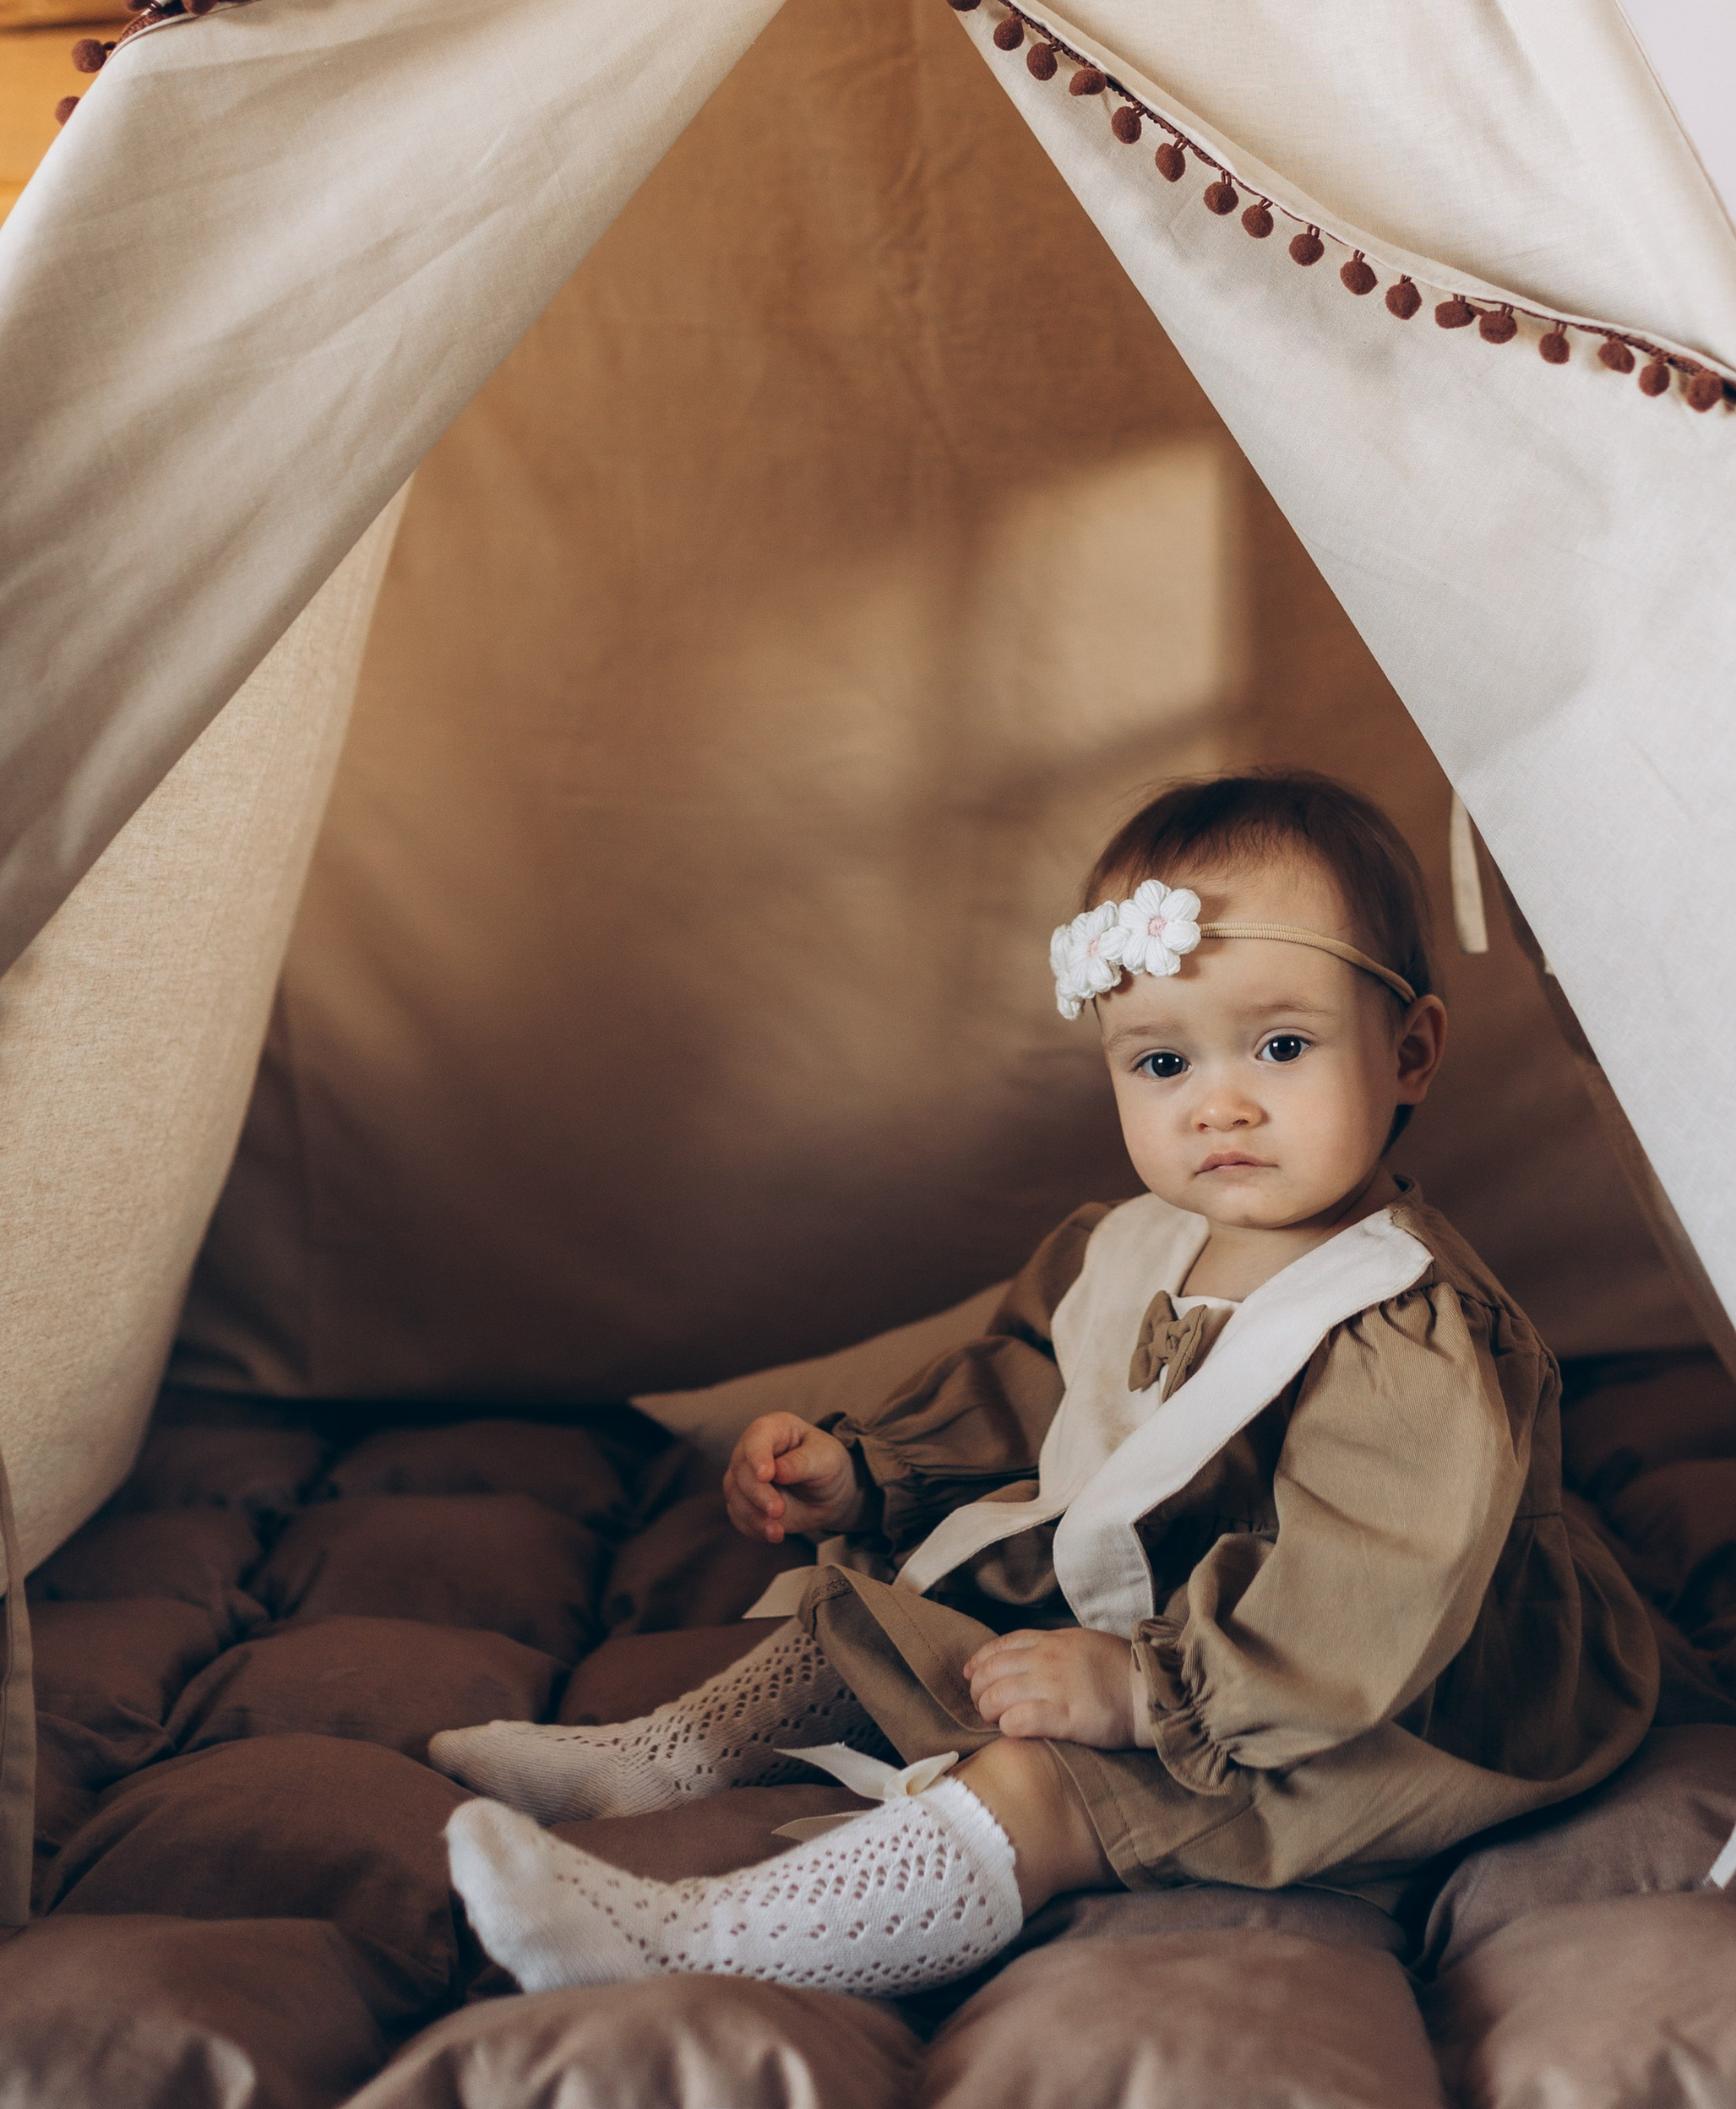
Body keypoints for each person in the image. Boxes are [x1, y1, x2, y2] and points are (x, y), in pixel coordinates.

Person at [434, 770, 1657, 1998]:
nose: (1218, 1104)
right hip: (1188, 1619)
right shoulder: (1121, 1247)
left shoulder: (1406, 1325)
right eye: (1163, 1061)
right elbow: (1033, 1393)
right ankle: (660, 1762)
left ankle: (690, 1944)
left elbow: (1374, 1584)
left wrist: (1146, 1691)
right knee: (874, 1606)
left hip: (1364, 1689)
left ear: (1410, 1053)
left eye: (1282, 1046)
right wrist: (866, 1472)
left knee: (1048, 1791)